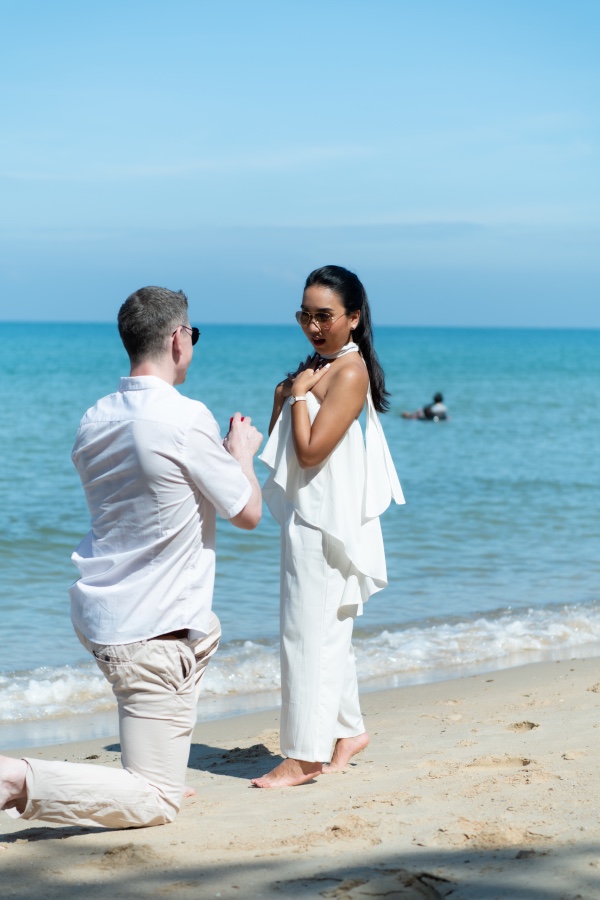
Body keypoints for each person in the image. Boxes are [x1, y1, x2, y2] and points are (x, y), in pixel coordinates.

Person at [0, 286, 262, 828]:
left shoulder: (94, 417)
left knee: (204, 628)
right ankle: (15, 778)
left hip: (107, 618)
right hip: (152, 633)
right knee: (156, 803)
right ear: (177, 339)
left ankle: (153, 767)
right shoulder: (185, 419)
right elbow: (248, 512)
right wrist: (240, 455)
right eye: (193, 333)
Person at [251, 265, 404, 789]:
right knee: (325, 627)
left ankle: (304, 756)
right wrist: (286, 396)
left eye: (325, 316)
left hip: (324, 521)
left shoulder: (349, 372)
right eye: (306, 316)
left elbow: (312, 452)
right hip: (309, 513)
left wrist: (297, 396)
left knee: (306, 633)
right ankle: (348, 730)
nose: (314, 326)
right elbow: (280, 445)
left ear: (354, 318)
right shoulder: (322, 366)